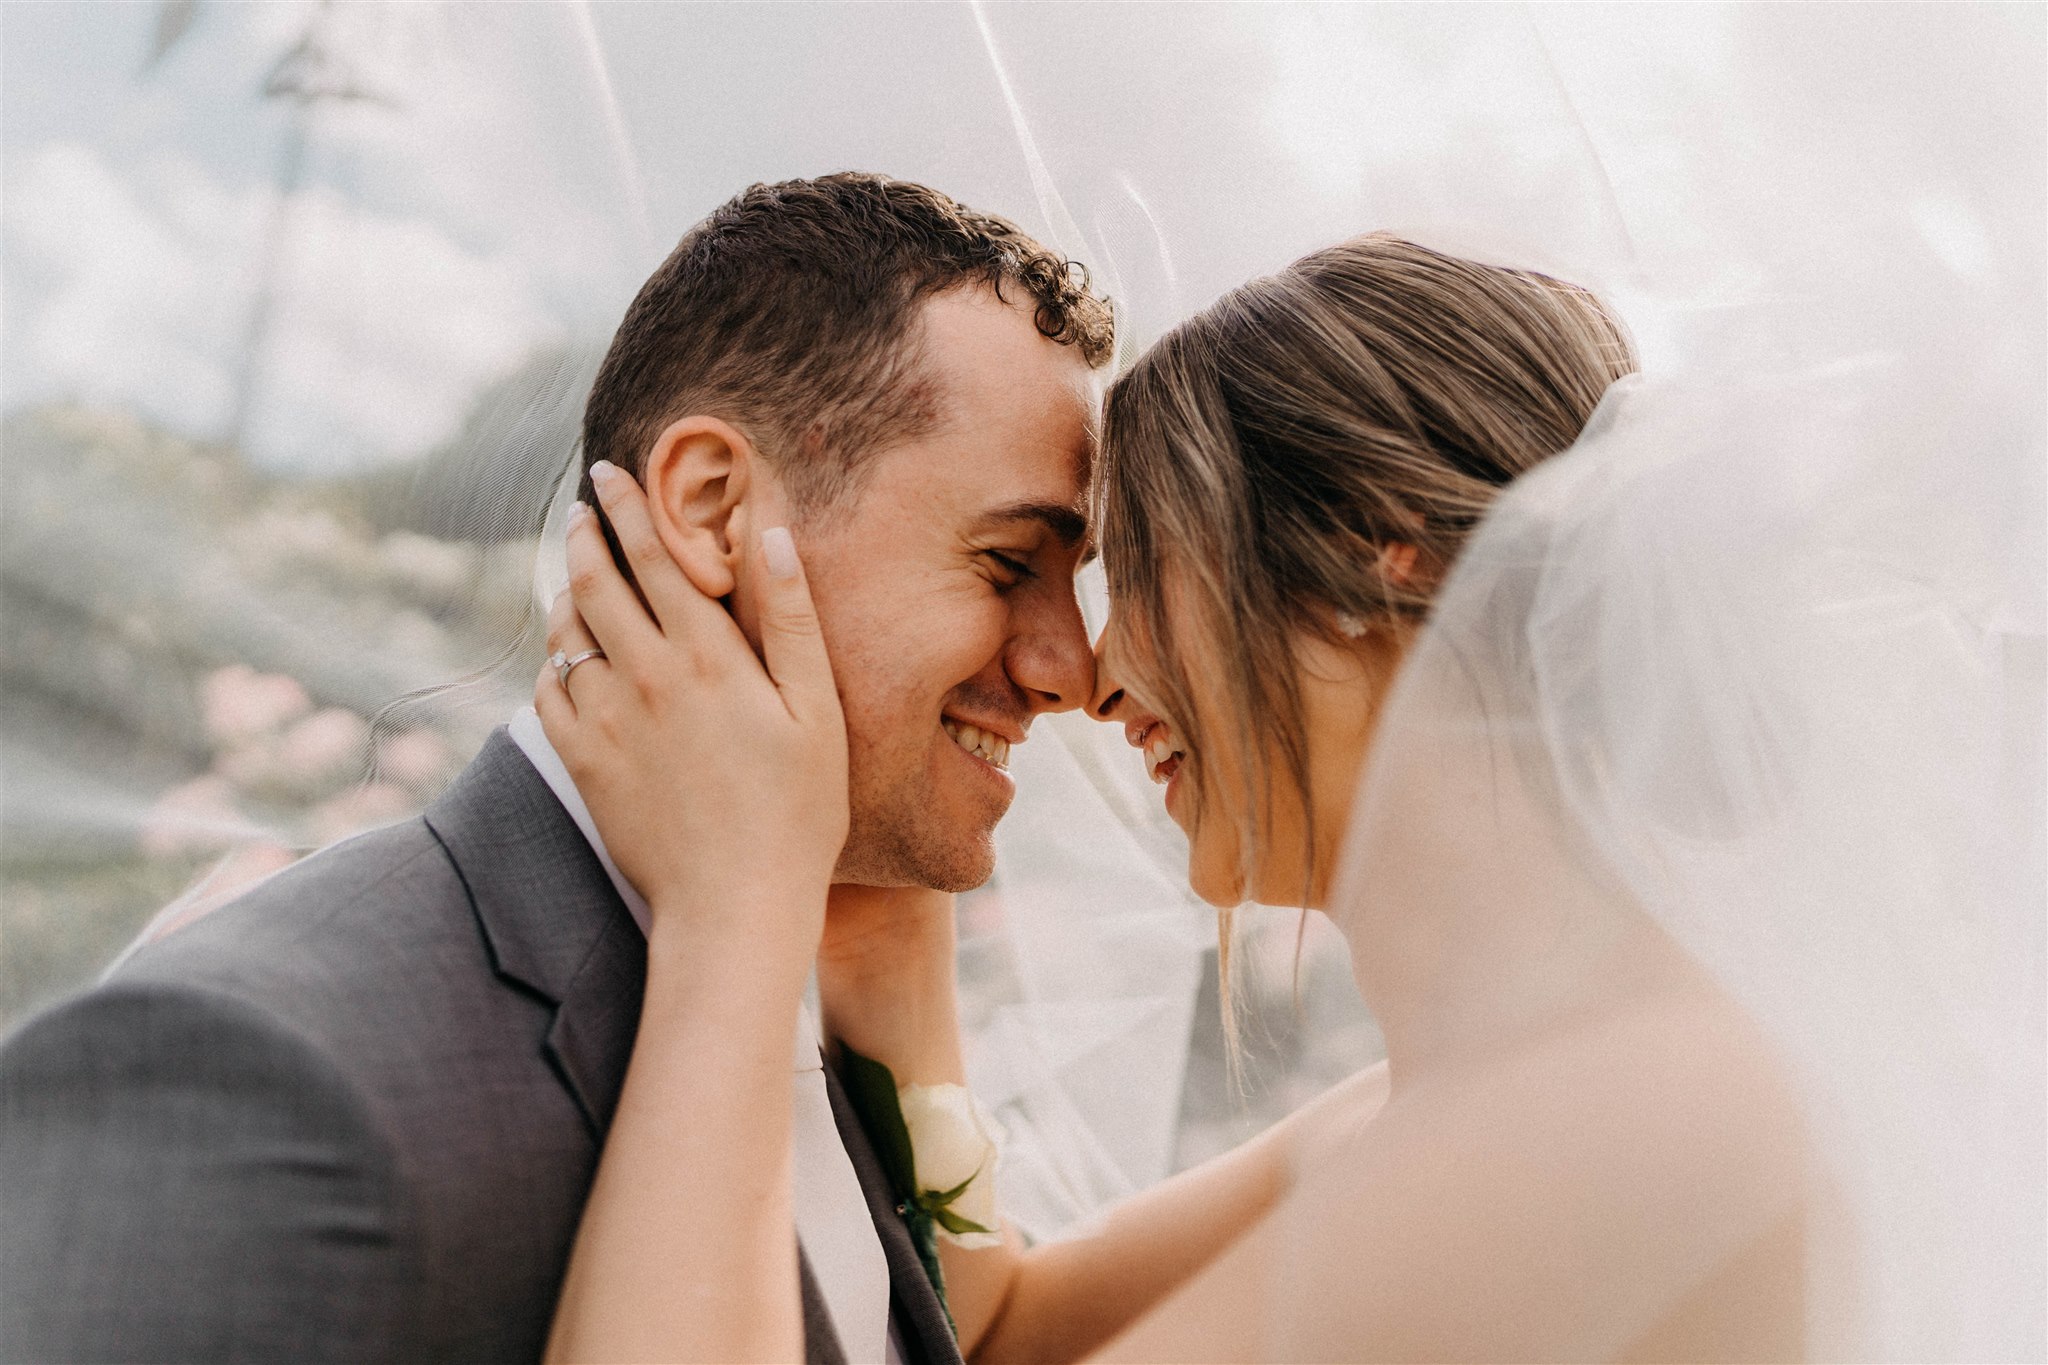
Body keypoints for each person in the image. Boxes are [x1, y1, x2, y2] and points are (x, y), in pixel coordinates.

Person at [537, 232, 1839, 1361]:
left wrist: (729, 918)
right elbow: (1007, 1335)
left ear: (1373, 550)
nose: (1094, 675)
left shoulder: (1607, 1125)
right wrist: (888, 962)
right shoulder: (1449, 1098)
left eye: (1144, 564)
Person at [0, 172, 1114, 1365]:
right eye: (1007, 565)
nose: (1072, 668)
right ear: (712, 506)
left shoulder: (832, 994)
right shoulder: (249, 1078)